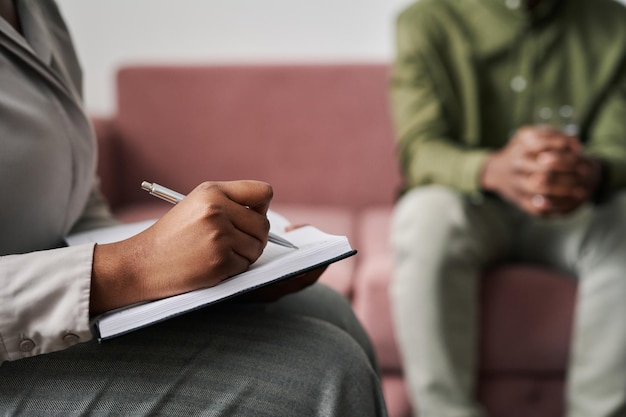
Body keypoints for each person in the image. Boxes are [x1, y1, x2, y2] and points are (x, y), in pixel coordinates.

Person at [0, 1, 388, 416]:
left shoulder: (37, 10)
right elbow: (127, 265)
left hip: (71, 307)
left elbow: (75, 201)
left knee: (330, 308)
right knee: (325, 371)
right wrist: (134, 267)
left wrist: (200, 275)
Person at [388, 0, 626, 416]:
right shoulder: (425, 21)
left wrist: (585, 171)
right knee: (425, 218)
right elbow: (420, 149)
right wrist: (494, 169)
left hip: (576, 210)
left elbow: (617, 148)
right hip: (472, 204)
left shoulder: (616, 24)